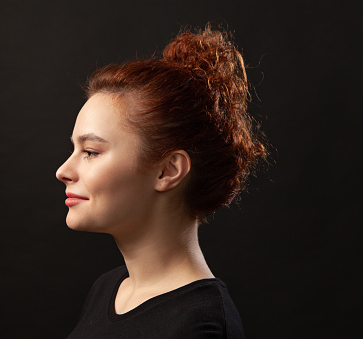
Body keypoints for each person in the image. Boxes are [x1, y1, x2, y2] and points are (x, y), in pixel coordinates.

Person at [56, 26, 267, 338]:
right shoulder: (108, 290)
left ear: (168, 171)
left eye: (90, 151)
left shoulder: (201, 325)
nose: (63, 170)